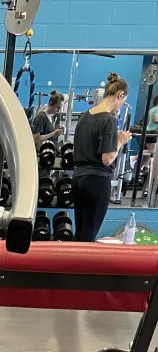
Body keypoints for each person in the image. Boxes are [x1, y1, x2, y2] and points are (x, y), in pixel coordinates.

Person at [72, 73, 132, 242]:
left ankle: (75, 267)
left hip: (78, 180)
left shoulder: (86, 116)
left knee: (81, 233)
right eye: (123, 100)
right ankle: (82, 268)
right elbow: (107, 159)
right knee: (88, 235)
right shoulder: (108, 120)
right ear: (120, 95)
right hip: (96, 182)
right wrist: (120, 141)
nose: (121, 105)